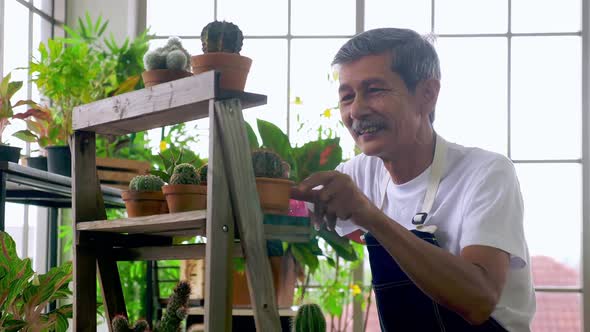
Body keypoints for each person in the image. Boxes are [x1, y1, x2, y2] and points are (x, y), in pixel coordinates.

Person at [291, 28, 536, 331]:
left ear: (427, 95)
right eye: (347, 97)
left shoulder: (486, 173)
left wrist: (371, 217)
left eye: (375, 90)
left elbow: (479, 300)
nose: (356, 110)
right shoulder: (361, 172)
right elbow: (293, 210)